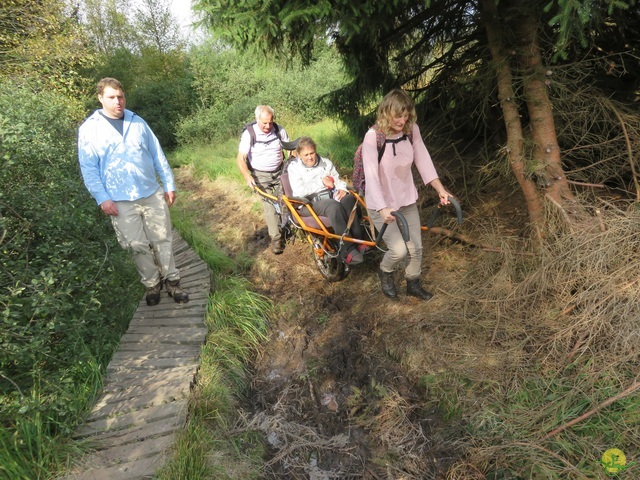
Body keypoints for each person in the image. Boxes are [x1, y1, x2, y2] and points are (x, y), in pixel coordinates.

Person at [77, 77, 189, 307]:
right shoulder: (89, 129)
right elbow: (88, 168)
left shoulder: (137, 122)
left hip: (150, 192)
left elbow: (157, 154)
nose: (118, 102)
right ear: (100, 98)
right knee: (136, 245)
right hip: (119, 200)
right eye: (112, 97)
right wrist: (102, 198)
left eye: (121, 96)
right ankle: (151, 285)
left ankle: (173, 281)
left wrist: (168, 184)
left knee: (162, 239)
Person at [363, 89, 454, 300]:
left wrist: (440, 189)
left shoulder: (411, 131)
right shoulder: (373, 138)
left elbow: (424, 161)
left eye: (406, 115)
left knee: (416, 247)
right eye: (398, 116)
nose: (402, 120)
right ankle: (385, 272)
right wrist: (383, 207)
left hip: (406, 200)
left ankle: (413, 284)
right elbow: (371, 176)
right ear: (386, 113)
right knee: (398, 250)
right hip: (381, 205)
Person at [288, 137, 366, 265]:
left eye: (312, 153)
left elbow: (337, 179)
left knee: (349, 199)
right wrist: (321, 181)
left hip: (330, 196)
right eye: (306, 155)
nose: (310, 157)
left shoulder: (325, 162)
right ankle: (347, 250)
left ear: (315, 150)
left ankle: (359, 241)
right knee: (333, 206)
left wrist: (342, 189)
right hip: (308, 202)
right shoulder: (294, 168)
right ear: (299, 156)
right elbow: (300, 190)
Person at [237, 105, 291, 254]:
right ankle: (277, 239)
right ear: (256, 120)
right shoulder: (249, 134)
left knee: (289, 199)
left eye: (270, 122)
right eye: (264, 123)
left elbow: (290, 149)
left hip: (280, 170)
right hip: (260, 175)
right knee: (270, 206)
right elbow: (240, 158)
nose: (268, 126)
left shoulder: (279, 130)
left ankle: (292, 226)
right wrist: (247, 176)